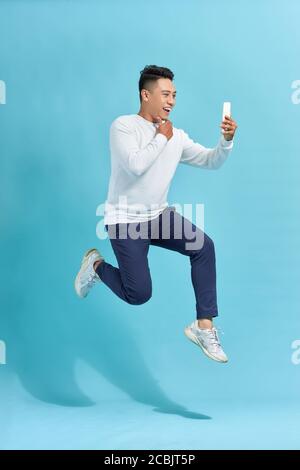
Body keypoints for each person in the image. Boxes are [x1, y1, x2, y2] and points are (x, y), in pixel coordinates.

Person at [75, 65, 238, 363]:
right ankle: (96, 266)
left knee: (203, 247)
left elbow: (210, 161)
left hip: (158, 217)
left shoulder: (176, 135)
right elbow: (136, 166)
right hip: (125, 221)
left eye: (174, 95)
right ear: (145, 94)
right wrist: (161, 136)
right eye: (165, 94)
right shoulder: (123, 126)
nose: (172, 101)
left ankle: (204, 326)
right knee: (138, 295)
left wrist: (225, 142)